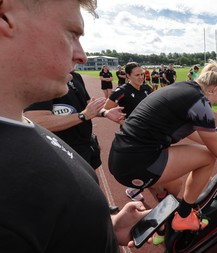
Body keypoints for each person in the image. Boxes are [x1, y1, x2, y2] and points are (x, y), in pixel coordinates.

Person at [0, 0, 149, 252]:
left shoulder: (20, 127)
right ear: (6, 17)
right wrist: (83, 116)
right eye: (71, 33)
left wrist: (107, 228)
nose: (82, 55)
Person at [109, 60, 217, 233]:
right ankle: (184, 216)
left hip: (119, 158)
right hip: (139, 163)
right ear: (214, 89)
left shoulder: (182, 88)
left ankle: (164, 217)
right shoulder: (200, 101)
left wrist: (216, 139)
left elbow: (188, 130)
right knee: (208, 156)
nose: (216, 101)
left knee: (175, 185)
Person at [24, 71, 125, 213]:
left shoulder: (75, 76)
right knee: (71, 191)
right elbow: (37, 120)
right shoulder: (42, 78)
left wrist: (105, 112)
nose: (81, 57)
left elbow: (88, 104)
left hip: (85, 142)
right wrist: (83, 115)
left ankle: (98, 206)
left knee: (90, 178)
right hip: (62, 148)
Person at [103, 62, 153, 202]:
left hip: (148, 131)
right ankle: (133, 188)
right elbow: (107, 110)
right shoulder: (121, 91)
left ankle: (146, 183)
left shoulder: (146, 88)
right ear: (128, 75)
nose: (141, 77)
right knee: (138, 162)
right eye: (137, 75)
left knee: (151, 159)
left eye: (142, 74)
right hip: (131, 134)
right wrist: (124, 123)